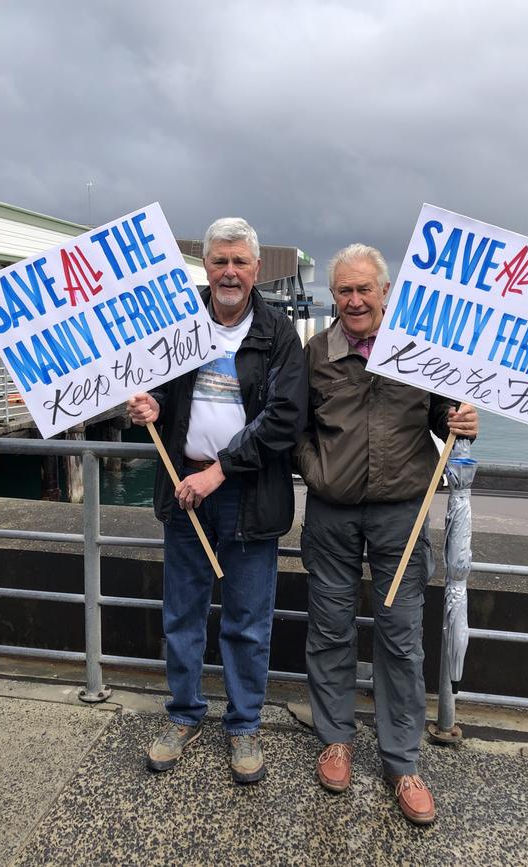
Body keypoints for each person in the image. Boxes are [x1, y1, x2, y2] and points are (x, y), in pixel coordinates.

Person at [295, 243, 478, 824]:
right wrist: (316, 468)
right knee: (329, 628)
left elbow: (447, 422)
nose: (354, 301)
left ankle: (402, 763)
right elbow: (290, 425)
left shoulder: (420, 353)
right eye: (344, 291)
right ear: (333, 297)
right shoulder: (314, 353)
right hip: (332, 513)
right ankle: (336, 739)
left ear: (385, 293)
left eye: (364, 290)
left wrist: (466, 422)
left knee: (400, 638)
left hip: (401, 513)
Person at [127, 218, 307, 784]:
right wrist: (146, 407)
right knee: (182, 612)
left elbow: (284, 419)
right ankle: (182, 714)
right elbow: (152, 386)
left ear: (257, 268)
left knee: (248, 619)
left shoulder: (278, 333)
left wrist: (220, 471)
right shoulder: (177, 325)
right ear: (205, 267)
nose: (229, 271)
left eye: (240, 262)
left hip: (247, 495)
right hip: (185, 491)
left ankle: (244, 723)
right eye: (219, 261)